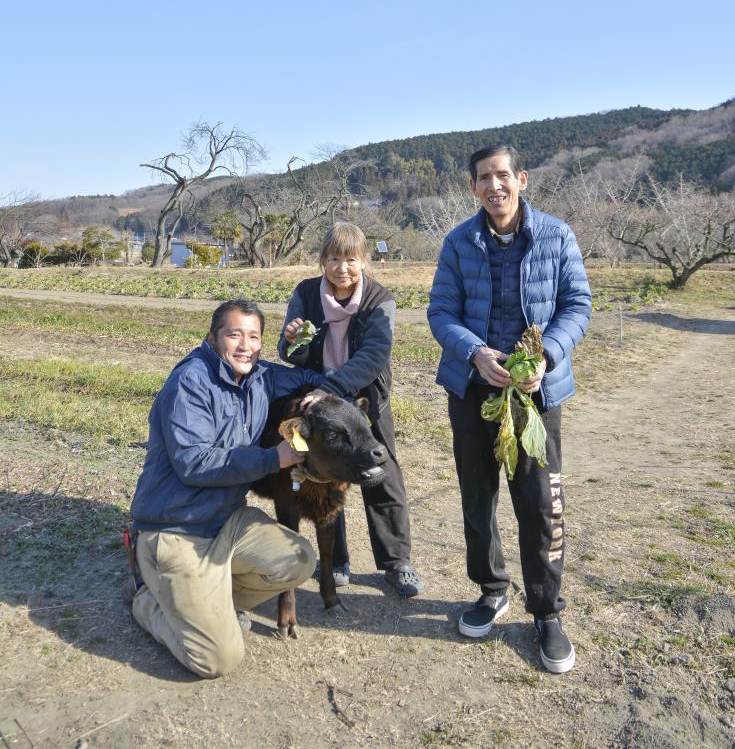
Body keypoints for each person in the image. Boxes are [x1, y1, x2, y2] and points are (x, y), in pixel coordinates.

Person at [427, 145, 591, 673]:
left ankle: (545, 611)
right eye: (483, 179)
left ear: (521, 179)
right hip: (474, 390)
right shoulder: (458, 242)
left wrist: (549, 353)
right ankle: (492, 588)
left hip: (538, 394)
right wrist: (474, 352)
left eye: (503, 176)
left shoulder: (556, 235)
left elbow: (577, 304)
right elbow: (441, 311)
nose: (494, 186)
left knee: (540, 503)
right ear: (473, 188)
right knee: (478, 497)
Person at [128, 298, 325, 678]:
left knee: (298, 560)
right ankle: (146, 599)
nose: (245, 345)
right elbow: (193, 463)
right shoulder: (190, 382)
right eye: (234, 334)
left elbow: (309, 377)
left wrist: (320, 393)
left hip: (224, 522)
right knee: (217, 659)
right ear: (213, 337)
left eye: (254, 337)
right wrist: (273, 459)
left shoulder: (260, 376)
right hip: (175, 528)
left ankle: (206, 603)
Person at [277, 222, 425, 597]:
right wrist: (292, 341)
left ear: (364, 261)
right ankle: (338, 559)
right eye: (333, 259)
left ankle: (397, 562)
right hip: (317, 402)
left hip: (364, 400)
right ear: (322, 261)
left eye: (351, 259)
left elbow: (374, 355)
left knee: (382, 472)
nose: (342, 268)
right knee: (324, 474)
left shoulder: (379, 299)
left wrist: (332, 388)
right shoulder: (306, 293)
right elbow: (292, 354)